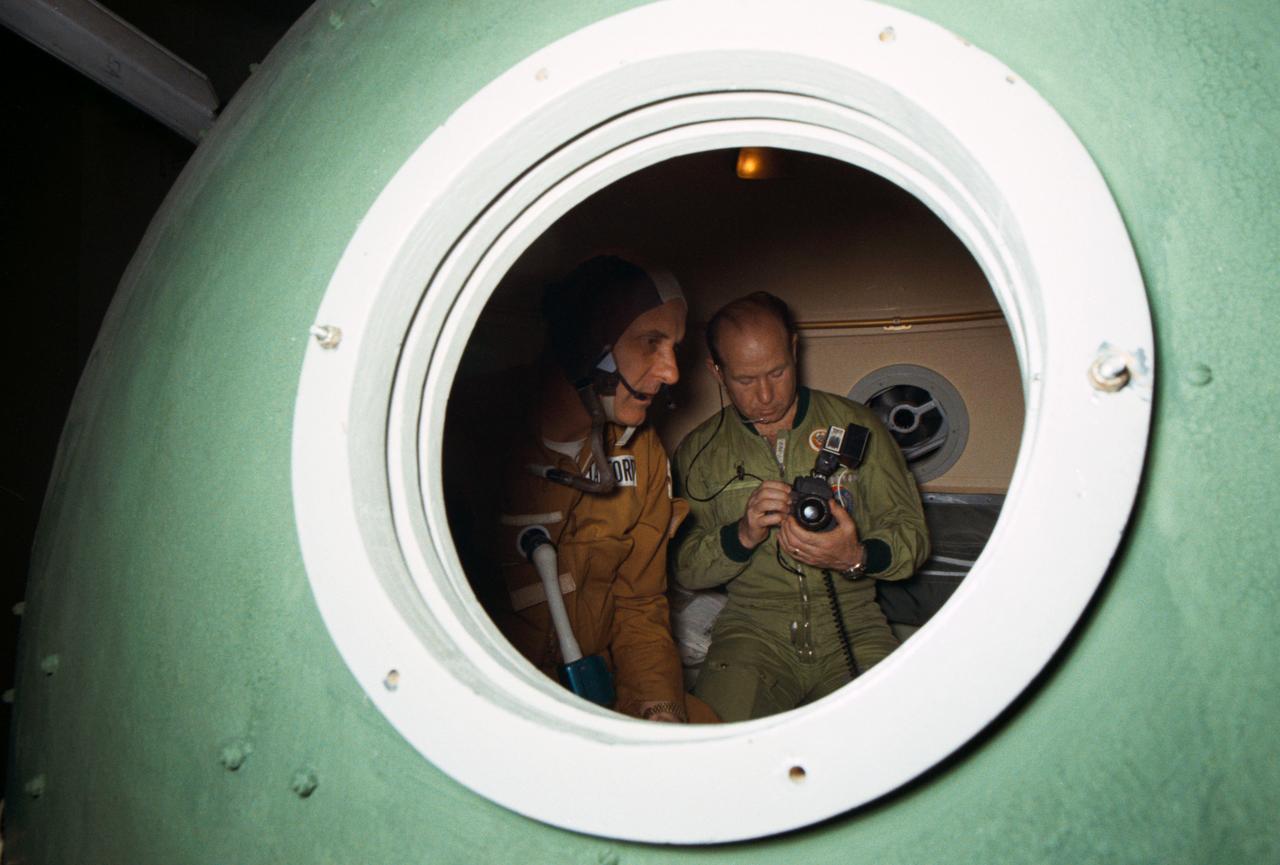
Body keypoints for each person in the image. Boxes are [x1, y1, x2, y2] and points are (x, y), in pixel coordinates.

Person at [670, 291, 929, 721]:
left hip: (854, 624)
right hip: (752, 633)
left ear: (794, 349)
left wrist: (856, 555)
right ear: (716, 370)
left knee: (894, 732)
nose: (766, 395)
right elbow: (685, 568)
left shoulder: (857, 426)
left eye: (778, 372)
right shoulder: (698, 453)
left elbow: (912, 537)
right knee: (714, 744)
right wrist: (741, 536)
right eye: (745, 381)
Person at [489, 255, 716, 723]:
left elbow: (640, 602)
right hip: (504, 699)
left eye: (674, 347)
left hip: (600, 685)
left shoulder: (642, 450)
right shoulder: (465, 430)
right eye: (651, 342)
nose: (672, 373)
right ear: (587, 344)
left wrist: (659, 706)